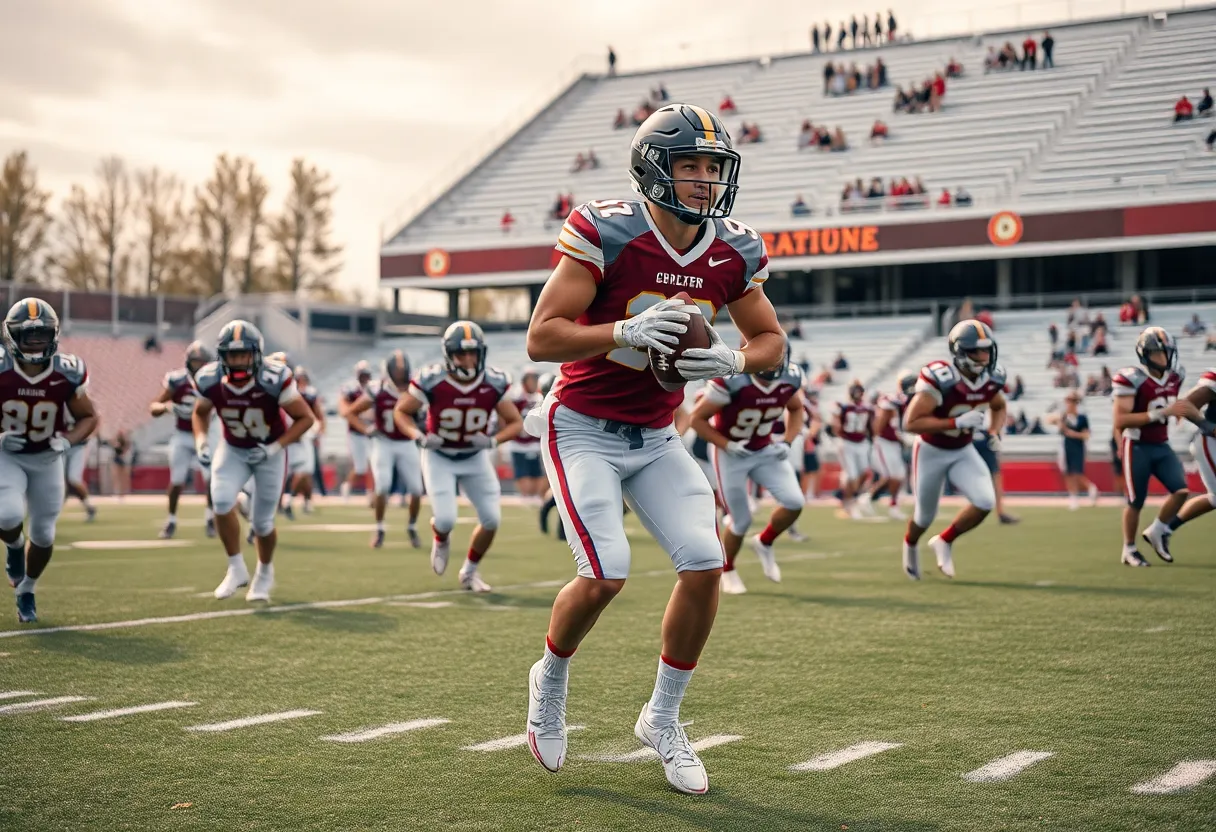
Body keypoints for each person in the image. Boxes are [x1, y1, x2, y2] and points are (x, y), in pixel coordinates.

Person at [522, 103, 785, 793]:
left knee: (705, 562)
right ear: (654, 169)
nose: (703, 181)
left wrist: (731, 360)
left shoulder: (733, 248)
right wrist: (619, 334)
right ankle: (550, 676)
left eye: (712, 167)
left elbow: (771, 342)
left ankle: (662, 719)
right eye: (690, 166)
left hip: (658, 433)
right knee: (606, 572)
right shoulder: (605, 229)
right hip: (581, 424)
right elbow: (542, 337)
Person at [193, 321, 315, 602]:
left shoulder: (274, 378)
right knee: (221, 501)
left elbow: (305, 418)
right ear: (221, 356)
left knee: (262, 523)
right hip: (233, 447)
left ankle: (265, 572)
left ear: (257, 355)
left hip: (269, 452)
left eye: (243, 355)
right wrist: (201, 440)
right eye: (232, 355)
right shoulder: (209, 379)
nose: (237, 362)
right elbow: (200, 413)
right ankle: (236, 567)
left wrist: (275, 448)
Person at [395, 321, 522, 591]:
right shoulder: (432, 379)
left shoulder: (494, 381)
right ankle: (441, 539)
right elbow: (401, 412)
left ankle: (469, 572)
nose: (467, 359)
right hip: (439, 456)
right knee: (444, 520)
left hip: (474, 457)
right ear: (449, 355)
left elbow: (514, 422)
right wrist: (419, 436)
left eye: (473, 353)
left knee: (491, 519)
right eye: (461, 353)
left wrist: (491, 440)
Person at [0, 299, 98, 623]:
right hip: (7, 455)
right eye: (29, 336)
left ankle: (27, 588)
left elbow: (89, 416)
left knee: (43, 534)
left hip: (46, 458)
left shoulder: (66, 371)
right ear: (13, 337)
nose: (36, 342)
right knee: (8, 514)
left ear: (54, 335)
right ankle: (14, 544)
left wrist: (67, 441)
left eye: (42, 335)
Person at [689, 346, 804, 595]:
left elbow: (796, 408)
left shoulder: (790, 376)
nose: (772, 365)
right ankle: (728, 570)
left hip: (765, 449)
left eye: (777, 359)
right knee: (741, 520)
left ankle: (764, 541)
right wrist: (726, 444)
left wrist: (787, 440)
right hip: (731, 453)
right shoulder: (733, 380)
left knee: (795, 502)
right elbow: (696, 419)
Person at [902, 320, 1006, 580]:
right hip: (931, 450)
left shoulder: (990, 379)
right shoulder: (942, 379)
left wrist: (994, 431)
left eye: (987, 350)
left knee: (984, 501)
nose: (984, 356)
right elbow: (910, 423)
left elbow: (999, 405)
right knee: (924, 517)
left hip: (962, 449)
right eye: (977, 351)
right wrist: (955, 422)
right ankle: (910, 546)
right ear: (960, 352)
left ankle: (945, 540)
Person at [1112, 327, 1199, 566]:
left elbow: (1171, 400)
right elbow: (1121, 420)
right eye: (1157, 353)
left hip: (1161, 443)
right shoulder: (1132, 378)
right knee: (1136, 501)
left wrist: (1176, 413)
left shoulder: (1175, 376)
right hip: (1137, 444)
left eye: (1165, 353)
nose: (1163, 358)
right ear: (1145, 354)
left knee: (1181, 490)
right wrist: (1163, 412)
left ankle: (1158, 530)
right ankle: (1128, 549)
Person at [348, 350, 423, 549]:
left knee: (416, 488)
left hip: (407, 442)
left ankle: (412, 526)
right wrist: (366, 429)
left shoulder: (414, 389)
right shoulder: (378, 389)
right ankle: (379, 527)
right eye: (396, 370)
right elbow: (352, 412)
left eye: (402, 369)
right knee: (382, 486)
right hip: (384, 442)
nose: (399, 374)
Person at [149, 340, 215, 538]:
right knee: (177, 480)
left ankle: (210, 518)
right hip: (183, 435)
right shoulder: (178, 381)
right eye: (195, 362)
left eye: (201, 363)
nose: (198, 367)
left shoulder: (214, 381)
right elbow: (154, 406)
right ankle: (171, 520)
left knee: (211, 480)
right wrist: (168, 408)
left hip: (205, 435)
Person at [1163, 368, 1216, 539]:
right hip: (1211, 442)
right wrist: (1210, 428)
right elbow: (1185, 404)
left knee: (1214, 499)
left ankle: (1164, 529)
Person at [867, 372, 916, 520]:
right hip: (883, 443)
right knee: (890, 476)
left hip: (894, 443)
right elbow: (879, 426)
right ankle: (867, 499)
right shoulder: (892, 401)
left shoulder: (910, 400)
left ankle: (893, 505)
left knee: (899, 475)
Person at [280, 366, 325, 519]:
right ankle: (285, 501)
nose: (301, 382)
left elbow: (317, 414)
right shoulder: (286, 392)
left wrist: (318, 430)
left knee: (305, 472)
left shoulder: (309, 394)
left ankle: (299, 501)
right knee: (289, 473)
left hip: (303, 437)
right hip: (288, 437)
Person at [834, 380, 874, 519]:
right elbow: (835, 425)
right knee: (851, 476)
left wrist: (873, 439)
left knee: (864, 473)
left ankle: (852, 499)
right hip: (847, 443)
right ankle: (848, 504)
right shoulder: (844, 406)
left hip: (861, 443)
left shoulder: (867, 408)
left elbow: (871, 426)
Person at [338, 362, 374, 500]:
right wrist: (362, 427)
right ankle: (347, 486)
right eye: (362, 374)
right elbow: (345, 411)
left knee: (373, 463)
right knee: (360, 468)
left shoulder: (373, 388)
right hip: (356, 433)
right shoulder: (351, 390)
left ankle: (371, 493)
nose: (365, 377)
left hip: (371, 432)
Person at [1057, 391, 1098, 510]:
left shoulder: (1082, 418)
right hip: (1066, 447)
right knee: (1069, 473)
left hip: (1078, 447)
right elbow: (1059, 428)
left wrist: (1072, 434)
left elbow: (1086, 435)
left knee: (1077, 473)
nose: (1068, 404)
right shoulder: (1064, 417)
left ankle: (1090, 488)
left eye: (1071, 401)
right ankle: (1073, 497)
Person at [509, 368, 545, 502]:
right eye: (531, 379)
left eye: (535, 379)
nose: (534, 382)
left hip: (536, 444)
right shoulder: (517, 396)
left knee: (538, 476)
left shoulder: (540, 397)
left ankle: (534, 501)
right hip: (519, 444)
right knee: (523, 478)